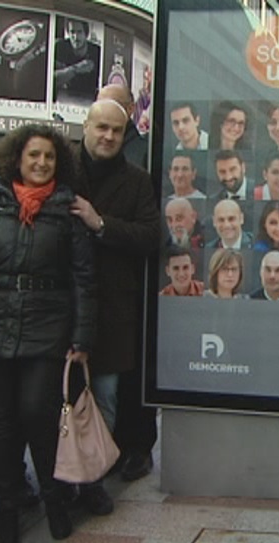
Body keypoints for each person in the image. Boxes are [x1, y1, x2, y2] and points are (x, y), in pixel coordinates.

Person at [0, 125, 96, 543]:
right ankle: (7, 506)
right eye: (33, 156)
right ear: (17, 159)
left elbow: (83, 277)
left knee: (37, 412)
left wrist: (81, 337)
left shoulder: (68, 209)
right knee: (3, 419)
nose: (41, 163)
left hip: (48, 325)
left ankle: (53, 498)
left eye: (49, 156)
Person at [70, 98, 160, 510]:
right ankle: (57, 478)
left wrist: (100, 223)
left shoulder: (137, 180)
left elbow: (149, 236)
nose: (107, 136)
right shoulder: (61, 169)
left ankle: (93, 479)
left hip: (112, 311)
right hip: (60, 307)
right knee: (55, 399)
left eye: (116, 130)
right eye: (100, 127)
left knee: (104, 395)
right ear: (85, 126)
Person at [97, 84, 148, 168]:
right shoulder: (90, 146)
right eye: (98, 106)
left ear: (130, 108)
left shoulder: (143, 152)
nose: (103, 111)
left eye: (110, 105)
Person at [54, 18, 101, 103]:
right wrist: (76, 69)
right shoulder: (60, 47)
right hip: (63, 98)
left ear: (86, 34)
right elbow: (52, 79)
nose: (75, 37)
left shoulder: (97, 51)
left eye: (79, 32)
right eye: (72, 32)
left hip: (89, 99)